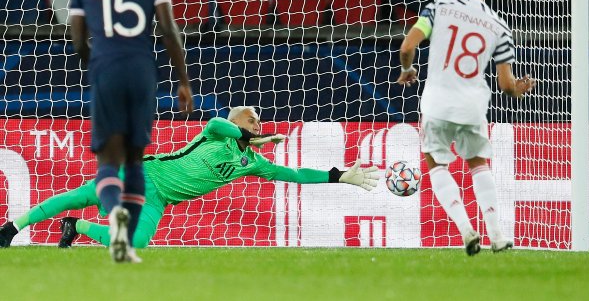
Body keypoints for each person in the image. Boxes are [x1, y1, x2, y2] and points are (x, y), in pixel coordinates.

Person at [0, 107, 379, 249]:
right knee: (78, 195)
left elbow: (293, 173)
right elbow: (215, 122)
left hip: (158, 198)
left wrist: (339, 176)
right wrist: (250, 135)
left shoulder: (252, 162)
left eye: (258, 121)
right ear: (236, 122)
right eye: (250, 119)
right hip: (143, 173)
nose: (256, 123)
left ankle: (77, 227)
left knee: (136, 243)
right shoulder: (216, 134)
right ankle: (11, 228)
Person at [67, 0, 193, 263]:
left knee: (109, 162)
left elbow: (77, 39)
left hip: (107, 70)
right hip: (140, 71)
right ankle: (127, 238)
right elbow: (168, 30)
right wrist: (183, 80)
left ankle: (115, 216)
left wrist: (98, 65)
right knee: (135, 160)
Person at [395, 0, 535, 256]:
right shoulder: (500, 27)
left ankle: (465, 229)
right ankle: (497, 235)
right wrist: (518, 90)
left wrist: (407, 69)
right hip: (472, 106)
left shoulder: (438, 8)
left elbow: (407, 47)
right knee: (478, 164)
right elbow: (506, 85)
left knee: (437, 165)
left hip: (437, 103)